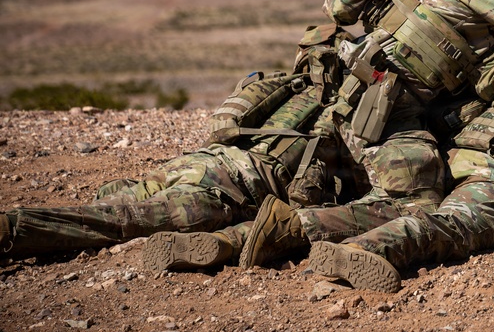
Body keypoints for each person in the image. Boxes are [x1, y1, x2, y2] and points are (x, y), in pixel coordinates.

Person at [145, 14, 494, 291]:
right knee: (450, 226)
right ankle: (374, 251)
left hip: (456, 155)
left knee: (403, 202)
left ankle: (237, 239)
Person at [0, 75, 353, 262]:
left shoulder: (299, 89)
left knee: (115, 204)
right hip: (217, 190)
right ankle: (12, 230)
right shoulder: (339, 125)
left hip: (194, 162)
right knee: (110, 222)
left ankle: (123, 192)